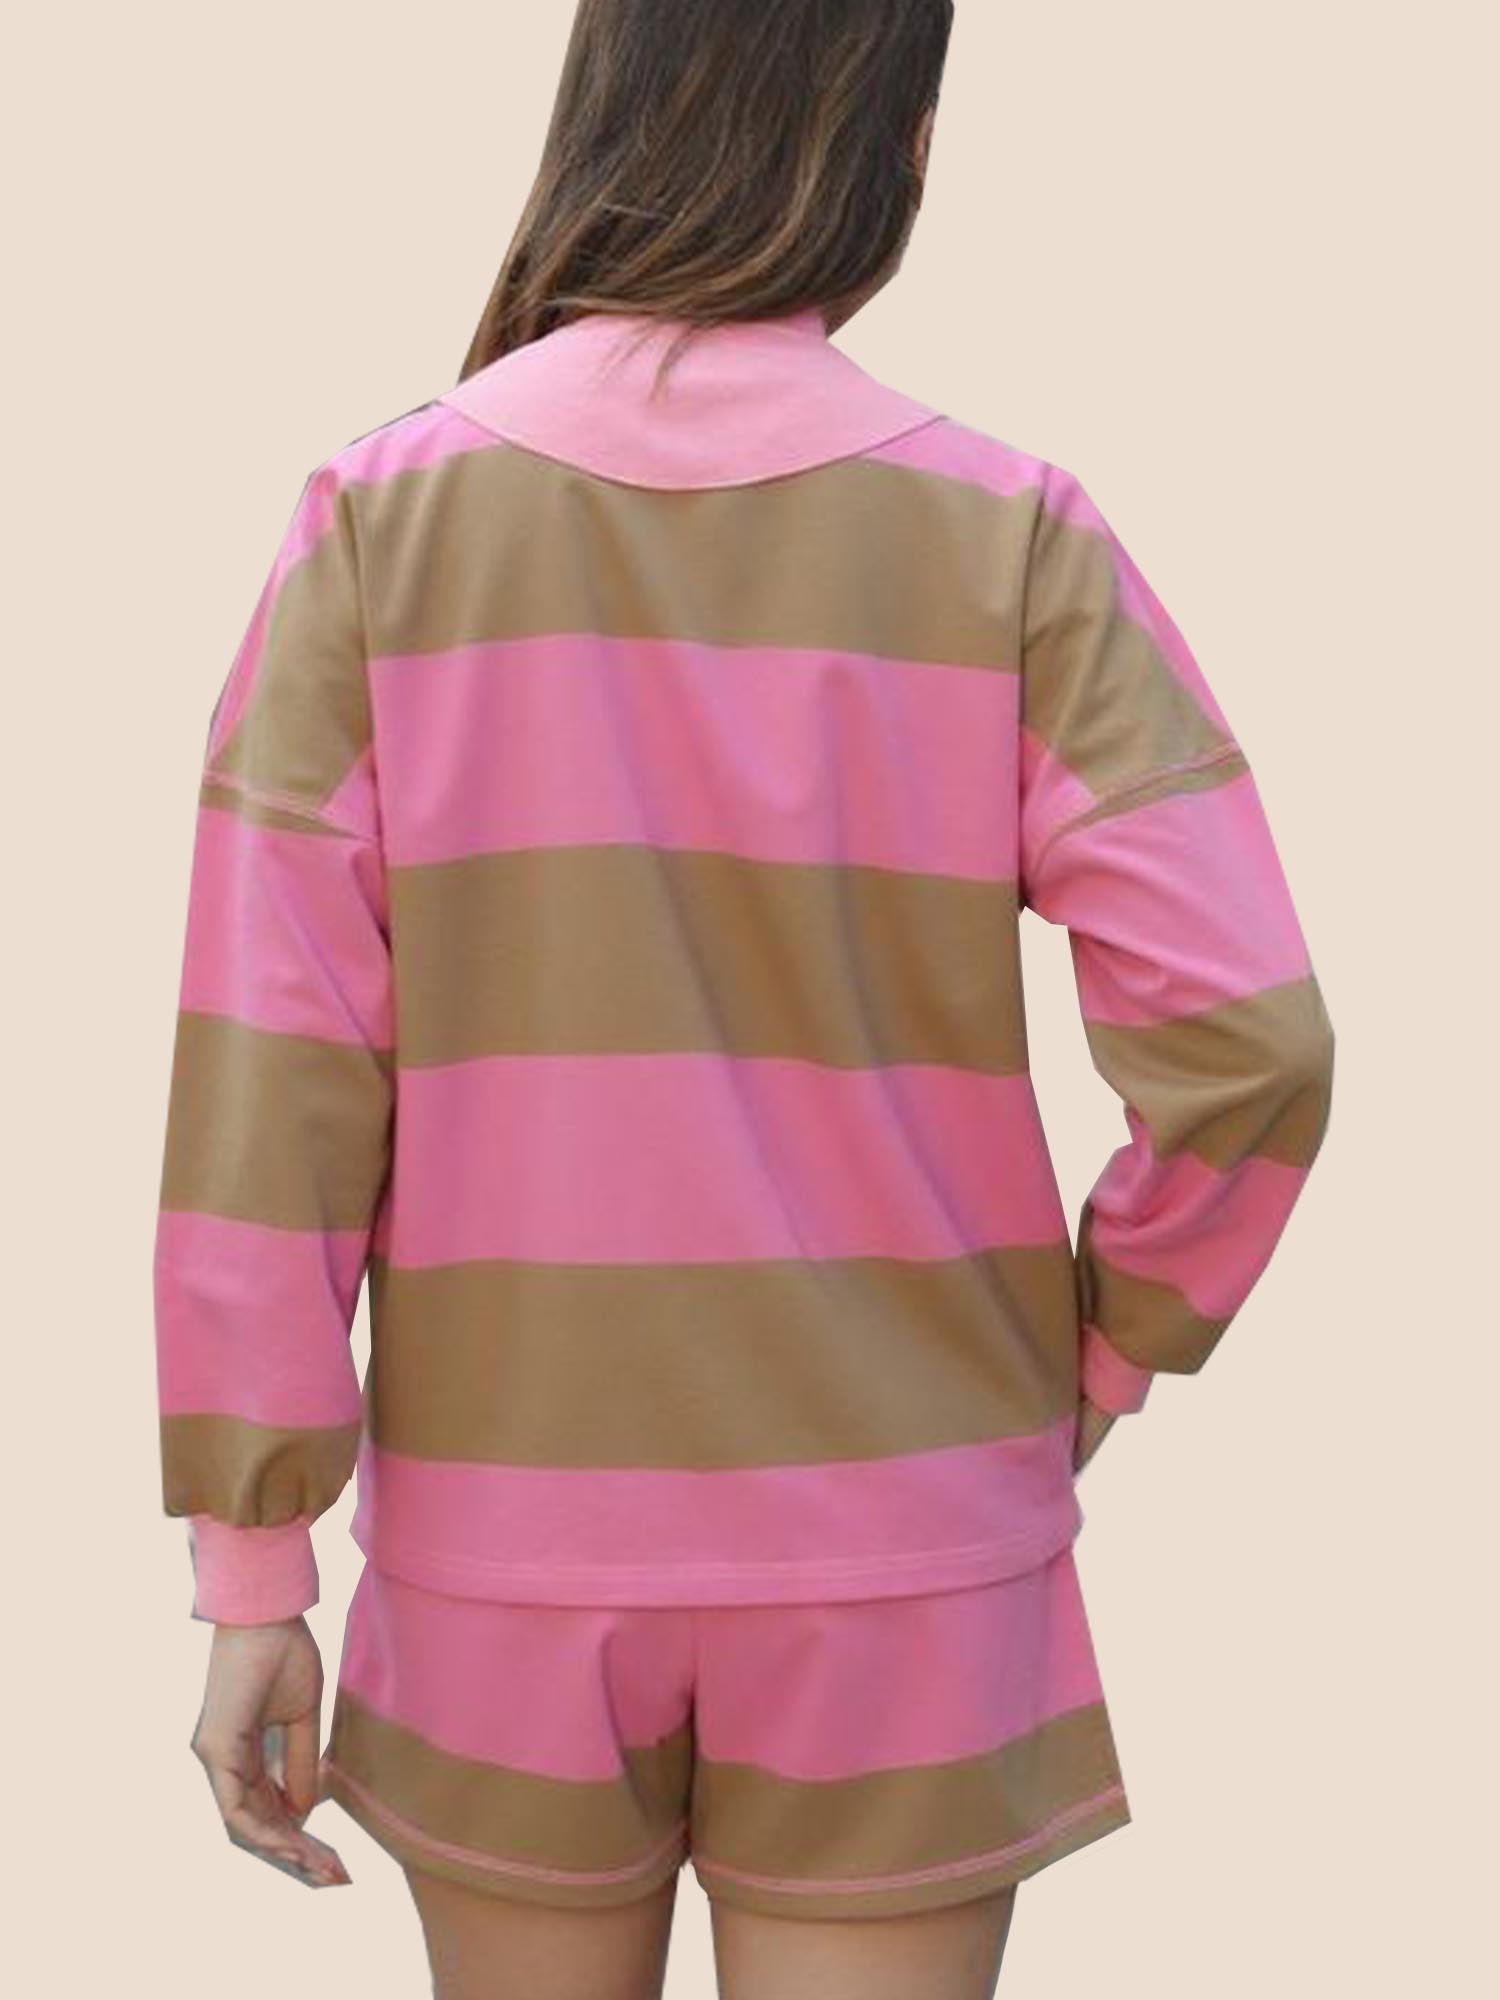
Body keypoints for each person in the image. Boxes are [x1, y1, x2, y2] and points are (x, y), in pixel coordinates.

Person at [153, 2, 1335, 1994]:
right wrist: (1110, 1348)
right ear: (899, 145)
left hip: (507, 1560)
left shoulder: (377, 523)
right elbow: (1252, 1039)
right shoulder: (1014, 534)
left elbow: (272, 1088)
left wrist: (253, 1561)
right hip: (911, 1538)